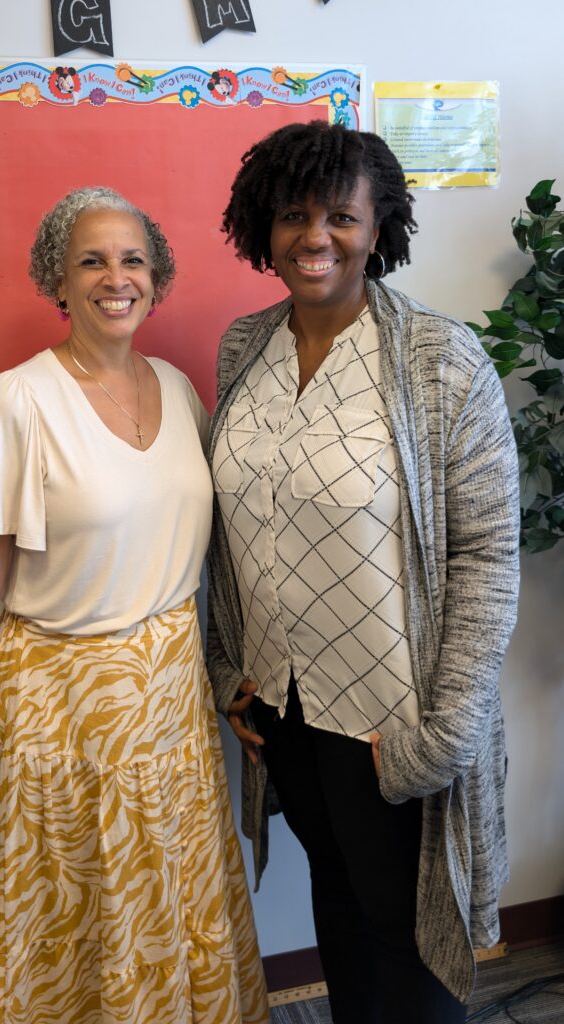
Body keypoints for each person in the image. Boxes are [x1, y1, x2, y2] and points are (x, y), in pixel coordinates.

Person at [0, 187, 269, 1024]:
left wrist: (234, 679)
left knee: (175, 896)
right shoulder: (19, 402)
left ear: (156, 278)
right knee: (83, 917)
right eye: (91, 260)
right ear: (58, 278)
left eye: (132, 260)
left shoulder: (178, 388)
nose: (115, 278)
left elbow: (206, 559)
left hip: (169, 699)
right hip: (64, 705)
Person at [206, 121, 520, 1024]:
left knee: (409, 931)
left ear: (378, 229)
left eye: (340, 216)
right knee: (337, 905)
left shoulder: (439, 360)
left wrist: (447, 729)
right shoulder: (244, 348)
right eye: (293, 215)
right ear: (261, 227)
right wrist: (228, 663)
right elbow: (228, 529)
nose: (315, 237)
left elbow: (485, 555)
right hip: (286, 710)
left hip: (396, 718)